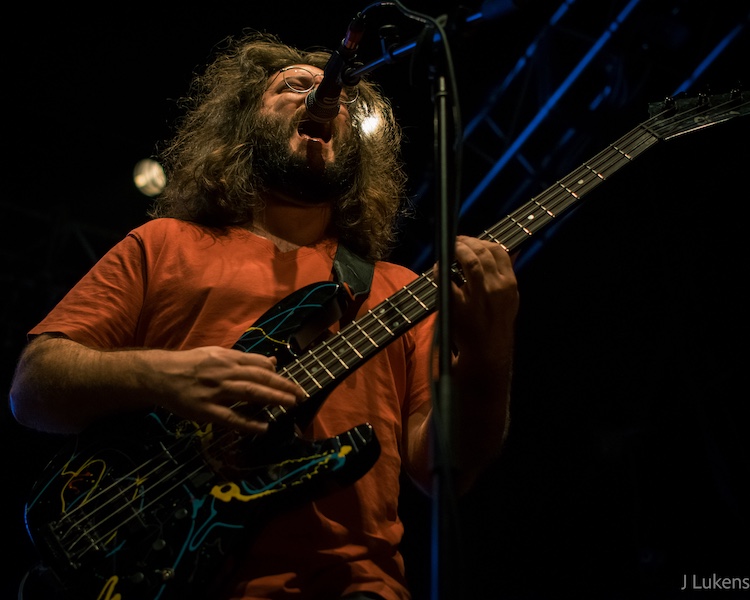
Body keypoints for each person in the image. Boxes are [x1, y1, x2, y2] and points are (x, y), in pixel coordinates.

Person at [9, 32, 518, 600]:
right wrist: (164, 376)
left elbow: (444, 468)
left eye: (341, 100)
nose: (325, 97)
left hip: (356, 585)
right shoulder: (164, 244)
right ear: (245, 121)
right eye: (294, 85)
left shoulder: (397, 290)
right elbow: (33, 387)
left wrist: (489, 353)